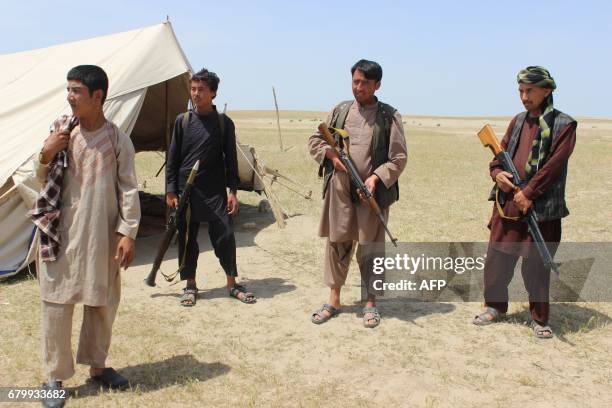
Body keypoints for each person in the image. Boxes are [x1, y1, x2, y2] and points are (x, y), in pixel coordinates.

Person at [31, 65, 140, 407]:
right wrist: (46, 153)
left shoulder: (118, 139)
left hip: (101, 235)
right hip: (60, 232)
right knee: (55, 304)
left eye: (76, 90)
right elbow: (41, 180)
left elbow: (129, 188)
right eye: (69, 89)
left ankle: (98, 366)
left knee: (102, 302)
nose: (70, 96)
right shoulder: (61, 132)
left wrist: (128, 232)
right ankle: (55, 377)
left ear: (98, 96)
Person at [473, 66, 577, 339]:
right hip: (509, 204)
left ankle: (539, 318)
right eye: (521, 90)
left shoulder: (564, 125)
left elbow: (553, 167)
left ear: (547, 90)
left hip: (541, 208)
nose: (524, 96)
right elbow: (498, 156)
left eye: (529, 90)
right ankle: (494, 306)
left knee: (537, 264)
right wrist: (499, 176)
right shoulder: (518, 121)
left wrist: (528, 193)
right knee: (497, 258)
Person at [308, 59, 407, 328]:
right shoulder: (339, 111)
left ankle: (371, 302)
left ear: (377, 85)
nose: (358, 87)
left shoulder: (388, 116)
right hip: (340, 191)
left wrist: (376, 179)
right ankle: (334, 299)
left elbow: (398, 158)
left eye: (364, 82)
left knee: (371, 248)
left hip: (371, 195)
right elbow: (315, 140)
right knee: (337, 244)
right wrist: (330, 155)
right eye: (355, 81)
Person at [165, 68, 255, 307]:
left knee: (225, 236)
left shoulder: (224, 123)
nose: (196, 94)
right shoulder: (182, 122)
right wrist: (171, 190)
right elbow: (172, 158)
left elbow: (231, 160)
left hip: (215, 191)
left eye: (201, 90)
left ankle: (232, 284)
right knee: (187, 240)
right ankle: (190, 285)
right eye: (193, 89)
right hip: (187, 192)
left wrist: (233, 191)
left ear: (213, 93)